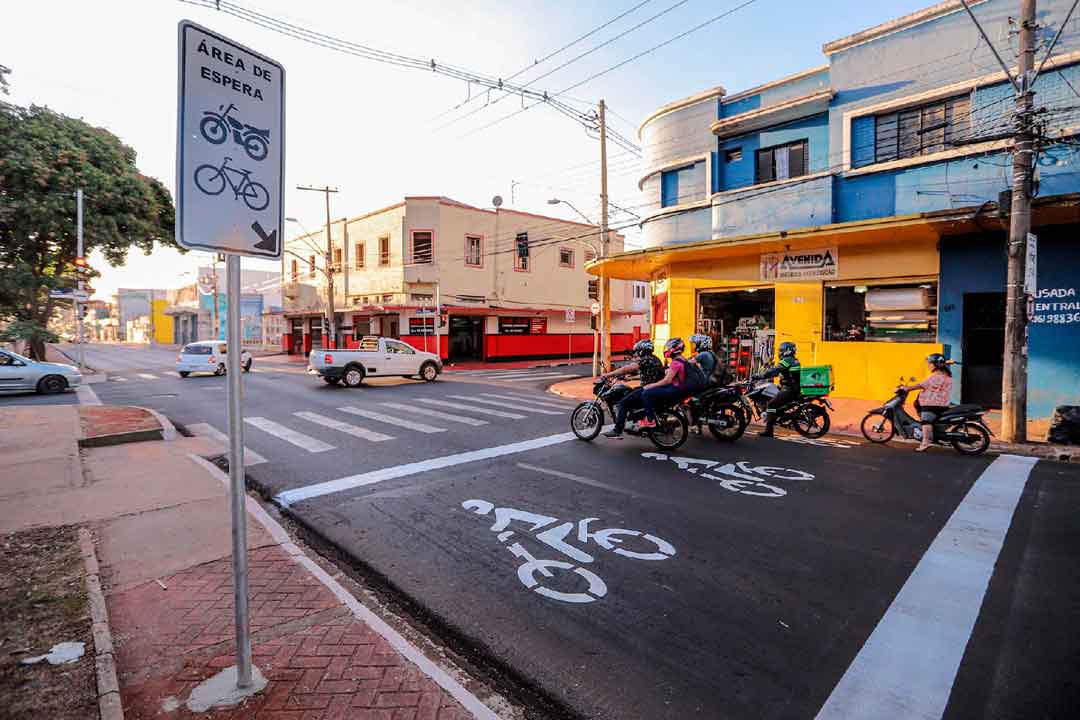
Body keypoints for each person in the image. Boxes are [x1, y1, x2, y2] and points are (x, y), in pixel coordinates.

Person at [598, 339, 665, 439]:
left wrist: (608, 375)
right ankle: (636, 420)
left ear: (642, 350)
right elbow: (647, 375)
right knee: (631, 392)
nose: (637, 352)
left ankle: (618, 430)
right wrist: (631, 378)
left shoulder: (645, 359)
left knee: (622, 403)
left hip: (648, 389)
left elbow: (627, 369)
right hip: (655, 388)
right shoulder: (655, 359)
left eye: (638, 350)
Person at [903, 353, 954, 452]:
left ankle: (925, 442)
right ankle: (933, 434)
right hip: (942, 404)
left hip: (932, 405)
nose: (928, 365)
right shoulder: (947, 375)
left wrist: (906, 388)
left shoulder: (935, 377)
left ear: (935, 365)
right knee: (927, 418)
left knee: (925, 422)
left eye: (930, 363)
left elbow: (920, 385)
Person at [640, 338, 690, 429]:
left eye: (668, 348)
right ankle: (660, 415)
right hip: (680, 388)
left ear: (674, 349)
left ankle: (650, 420)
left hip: (675, 389)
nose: (666, 350)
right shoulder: (682, 359)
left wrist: (651, 385)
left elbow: (667, 380)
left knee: (646, 393)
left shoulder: (676, 362)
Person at [757, 341, 800, 438]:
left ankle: (769, 431)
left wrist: (761, 376)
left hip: (789, 388)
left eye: (781, 350)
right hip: (791, 387)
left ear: (787, 351)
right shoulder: (793, 360)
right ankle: (778, 416)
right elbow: (777, 372)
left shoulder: (788, 360)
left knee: (771, 405)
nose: (779, 352)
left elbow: (776, 370)